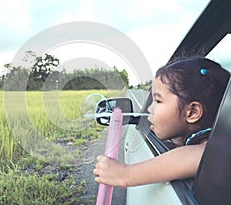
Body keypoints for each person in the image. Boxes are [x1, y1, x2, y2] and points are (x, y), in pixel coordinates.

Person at [93, 56, 230, 187]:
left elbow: (199, 156)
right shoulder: (209, 136)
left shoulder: (215, 150)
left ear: (192, 113)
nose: (149, 108)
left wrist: (126, 174)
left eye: (157, 101)